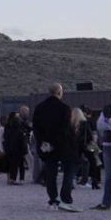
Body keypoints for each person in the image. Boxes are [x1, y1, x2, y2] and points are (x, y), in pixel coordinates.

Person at [33, 83, 79, 212]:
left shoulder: (39, 107)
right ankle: (66, 199)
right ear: (60, 92)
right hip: (64, 145)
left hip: (46, 145)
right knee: (69, 171)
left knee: (51, 173)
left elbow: (36, 128)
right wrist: (54, 142)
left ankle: (53, 199)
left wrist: (44, 143)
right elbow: (65, 129)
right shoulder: (64, 108)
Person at [72, 107, 100, 190]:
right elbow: (89, 135)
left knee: (74, 164)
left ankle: (71, 181)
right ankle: (94, 182)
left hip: (74, 146)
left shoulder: (71, 124)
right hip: (86, 145)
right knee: (93, 162)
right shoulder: (85, 123)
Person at [0, 112, 28, 185]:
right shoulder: (20, 128)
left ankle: (12, 179)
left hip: (10, 148)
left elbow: (5, 138)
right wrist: (24, 149)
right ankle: (21, 178)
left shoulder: (7, 127)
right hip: (19, 149)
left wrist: (5, 148)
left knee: (13, 165)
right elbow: (22, 140)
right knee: (21, 164)